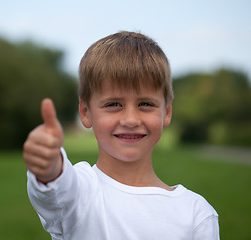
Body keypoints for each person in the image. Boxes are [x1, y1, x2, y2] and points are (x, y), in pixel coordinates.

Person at [23, 31, 220, 240]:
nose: (130, 120)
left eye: (145, 104)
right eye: (113, 104)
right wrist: (50, 164)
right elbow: (56, 190)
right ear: (85, 112)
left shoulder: (196, 214)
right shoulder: (80, 192)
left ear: (167, 112)